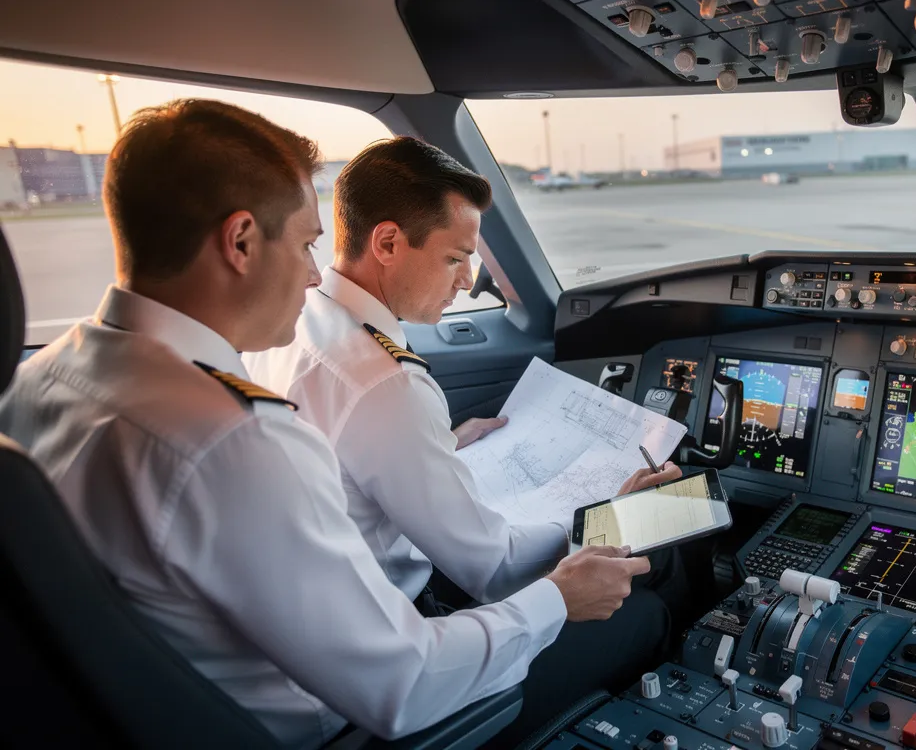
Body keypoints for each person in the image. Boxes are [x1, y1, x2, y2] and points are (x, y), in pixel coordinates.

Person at [0, 99, 651, 749]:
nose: (315, 273)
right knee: (647, 621)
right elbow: (405, 681)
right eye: (306, 244)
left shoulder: (41, 380)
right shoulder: (236, 443)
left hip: (185, 692)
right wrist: (559, 597)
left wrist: (439, 445)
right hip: (330, 719)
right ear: (241, 242)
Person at [243, 137, 681, 738]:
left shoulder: (299, 320)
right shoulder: (383, 382)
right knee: (650, 612)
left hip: (325, 619)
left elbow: (350, 458)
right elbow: (495, 570)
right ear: (387, 243)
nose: (467, 280)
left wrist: (439, 446)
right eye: (455, 258)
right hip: (385, 649)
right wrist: (605, 512)